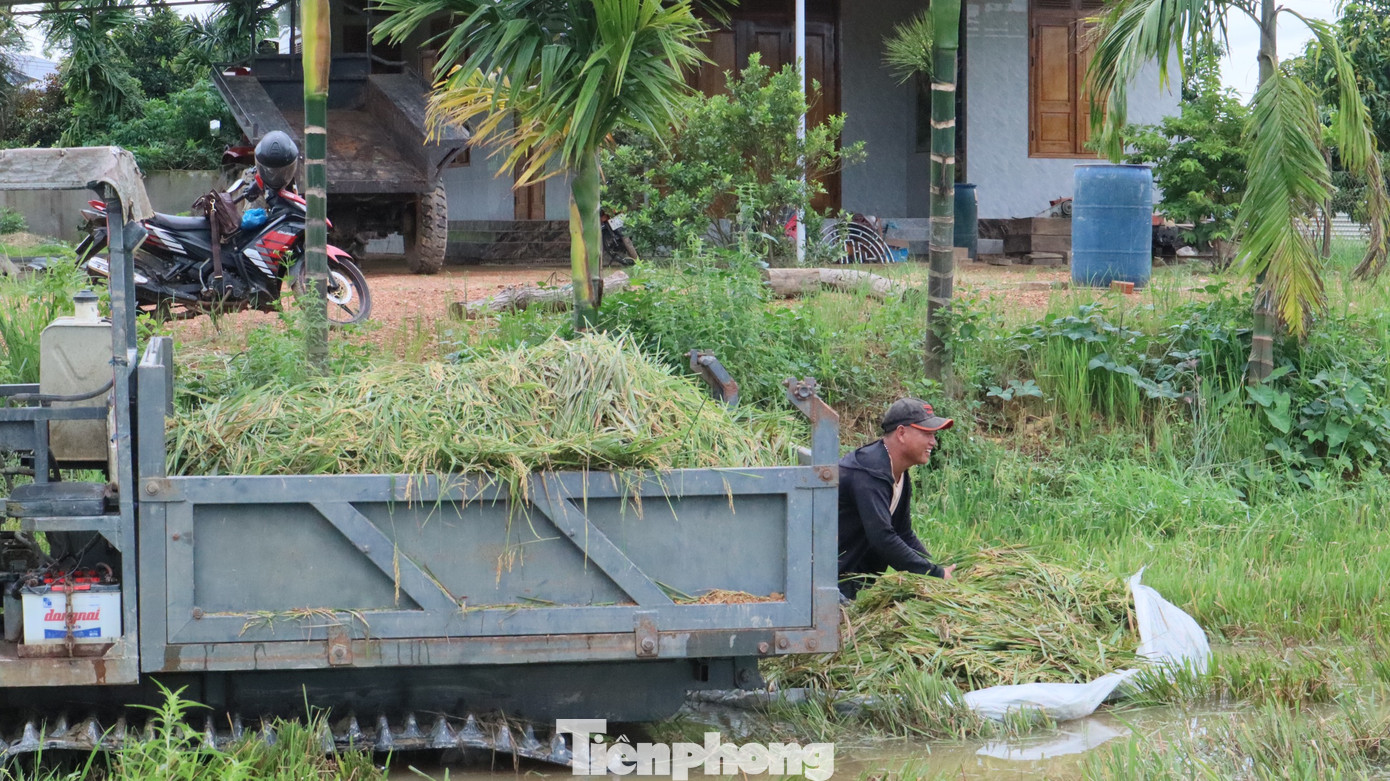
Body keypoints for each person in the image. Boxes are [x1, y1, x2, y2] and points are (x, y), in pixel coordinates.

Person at [837, 397, 956, 598]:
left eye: (934, 435)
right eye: (927, 433)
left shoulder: (897, 470)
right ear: (901, 433)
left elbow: (903, 532)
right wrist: (933, 574)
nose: (933, 442)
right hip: (828, 582)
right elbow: (882, 538)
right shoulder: (870, 473)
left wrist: (934, 569)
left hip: (849, 583)